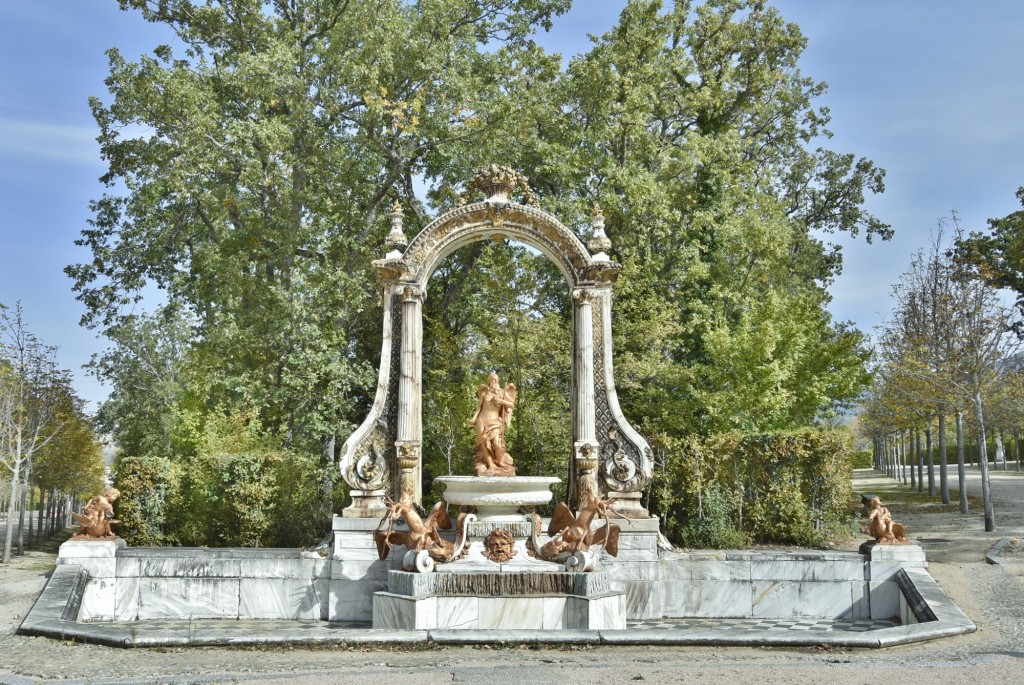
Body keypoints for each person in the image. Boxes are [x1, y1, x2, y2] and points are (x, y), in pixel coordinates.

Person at [467, 372, 517, 476]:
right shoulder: (485, 393)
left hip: (495, 423)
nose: (496, 381)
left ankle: (501, 462)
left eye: (497, 379)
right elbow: (479, 408)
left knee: (497, 444)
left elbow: (512, 404)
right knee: (485, 445)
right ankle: (491, 465)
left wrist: (501, 401)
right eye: (494, 380)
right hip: (482, 421)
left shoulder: (502, 393)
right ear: (489, 381)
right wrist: (473, 419)